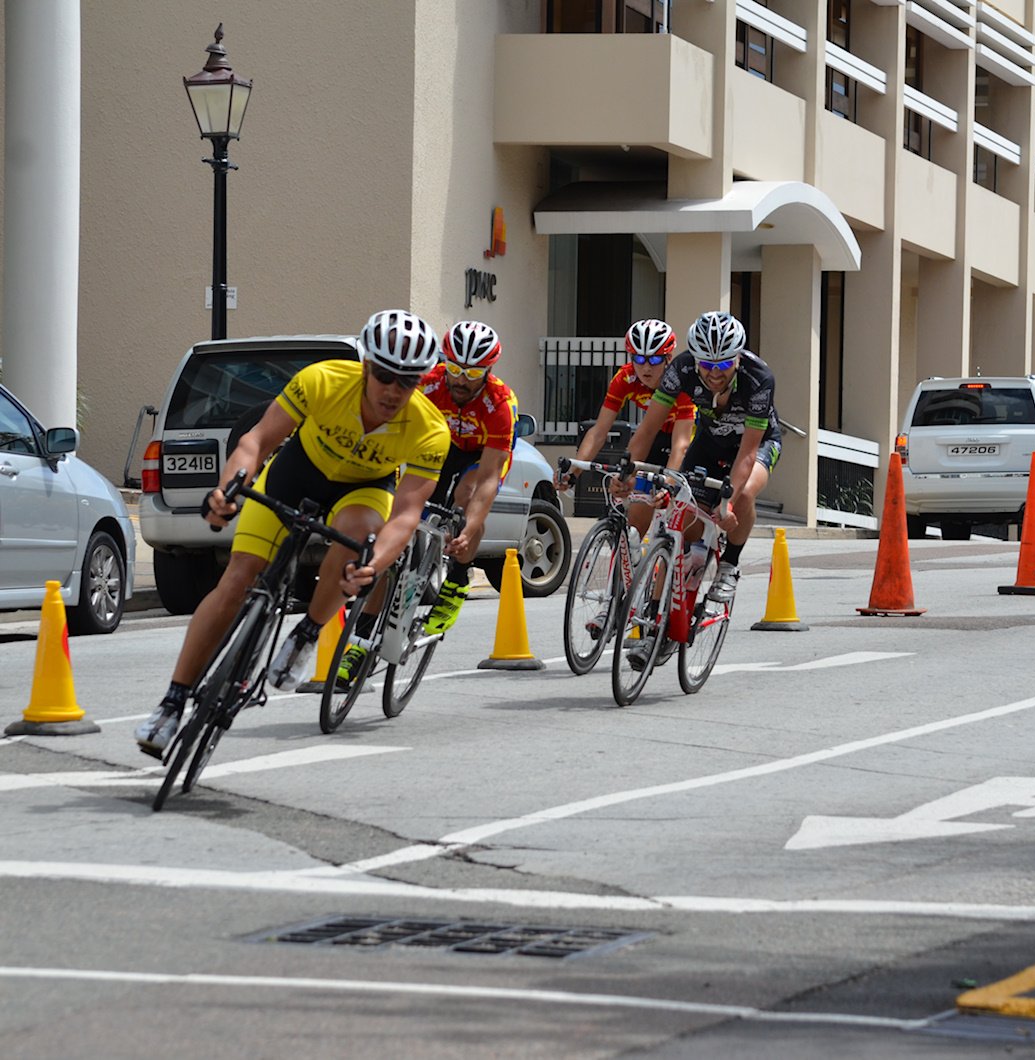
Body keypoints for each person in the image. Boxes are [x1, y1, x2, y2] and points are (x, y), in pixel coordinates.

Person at [135, 310, 449, 756]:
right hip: (297, 472)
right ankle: (172, 703)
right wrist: (227, 490)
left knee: (356, 537)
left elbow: (406, 514)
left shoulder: (429, 429)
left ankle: (307, 633)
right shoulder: (322, 380)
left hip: (364, 489)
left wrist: (374, 564)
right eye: (384, 375)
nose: (394, 391)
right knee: (237, 580)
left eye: (409, 381)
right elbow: (256, 442)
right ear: (366, 367)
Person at [336, 320, 519, 665]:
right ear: (443, 362)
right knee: (393, 538)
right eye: (454, 368)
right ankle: (360, 643)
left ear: (489, 370)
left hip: (480, 458)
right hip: (436, 447)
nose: (462, 379)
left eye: (473, 373)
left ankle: (459, 575)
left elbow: (490, 478)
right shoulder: (428, 384)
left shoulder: (500, 403)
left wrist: (468, 529)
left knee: (466, 498)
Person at [625, 310, 781, 608]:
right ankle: (660, 610)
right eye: (707, 364)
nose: (715, 372)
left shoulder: (759, 379)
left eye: (724, 363)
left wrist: (728, 504)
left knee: (745, 492)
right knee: (684, 522)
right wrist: (627, 472)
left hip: (756, 445)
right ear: (695, 359)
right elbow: (647, 429)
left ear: (738, 357)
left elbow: (748, 454)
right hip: (709, 444)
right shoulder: (681, 369)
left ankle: (729, 567)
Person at [560, 318, 696, 543]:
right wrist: (574, 473)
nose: (645, 367)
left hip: (687, 437)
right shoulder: (625, 378)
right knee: (635, 518)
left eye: (654, 359)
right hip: (654, 435)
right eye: (639, 359)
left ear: (668, 359)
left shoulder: (679, 382)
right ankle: (631, 566)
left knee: (679, 525)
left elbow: (680, 447)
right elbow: (598, 431)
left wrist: (668, 485)